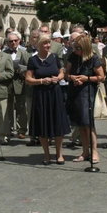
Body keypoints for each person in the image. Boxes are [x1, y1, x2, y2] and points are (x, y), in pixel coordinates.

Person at [25, 34, 70, 164]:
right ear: (39, 45)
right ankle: (46, 154)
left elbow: (62, 71)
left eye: (48, 43)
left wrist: (59, 77)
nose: (48, 46)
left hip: (55, 94)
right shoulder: (32, 60)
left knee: (57, 124)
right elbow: (28, 79)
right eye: (44, 43)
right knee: (42, 124)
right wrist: (41, 80)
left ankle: (59, 153)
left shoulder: (54, 57)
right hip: (40, 95)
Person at [66, 34, 105, 163]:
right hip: (74, 92)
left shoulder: (93, 58)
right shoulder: (73, 56)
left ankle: (94, 151)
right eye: (74, 47)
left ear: (85, 47)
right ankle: (85, 151)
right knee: (80, 124)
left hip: (87, 93)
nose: (75, 50)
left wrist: (86, 78)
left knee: (88, 124)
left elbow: (101, 77)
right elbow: (66, 73)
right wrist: (72, 78)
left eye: (78, 48)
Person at [4, 31, 30, 140]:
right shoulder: (4, 53)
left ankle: (22, 130)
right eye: (11, 41)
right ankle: (9, 129)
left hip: (20, 82)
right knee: (8, 107)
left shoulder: (24, 52)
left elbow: (29, 66)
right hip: (7, 83)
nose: (13, 43)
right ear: (7, 42)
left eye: (15, 40)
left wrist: (23, 71)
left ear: (19, 41)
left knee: (21, 107)